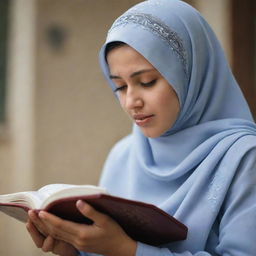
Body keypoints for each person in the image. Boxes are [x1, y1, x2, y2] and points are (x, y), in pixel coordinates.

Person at [26, 0, 256, 255]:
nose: (131, 102)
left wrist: (127, 249)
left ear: (191, 74)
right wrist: (76, 248)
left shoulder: (245, 157)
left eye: (147, 82)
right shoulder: (123, 155)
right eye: (120, 87)